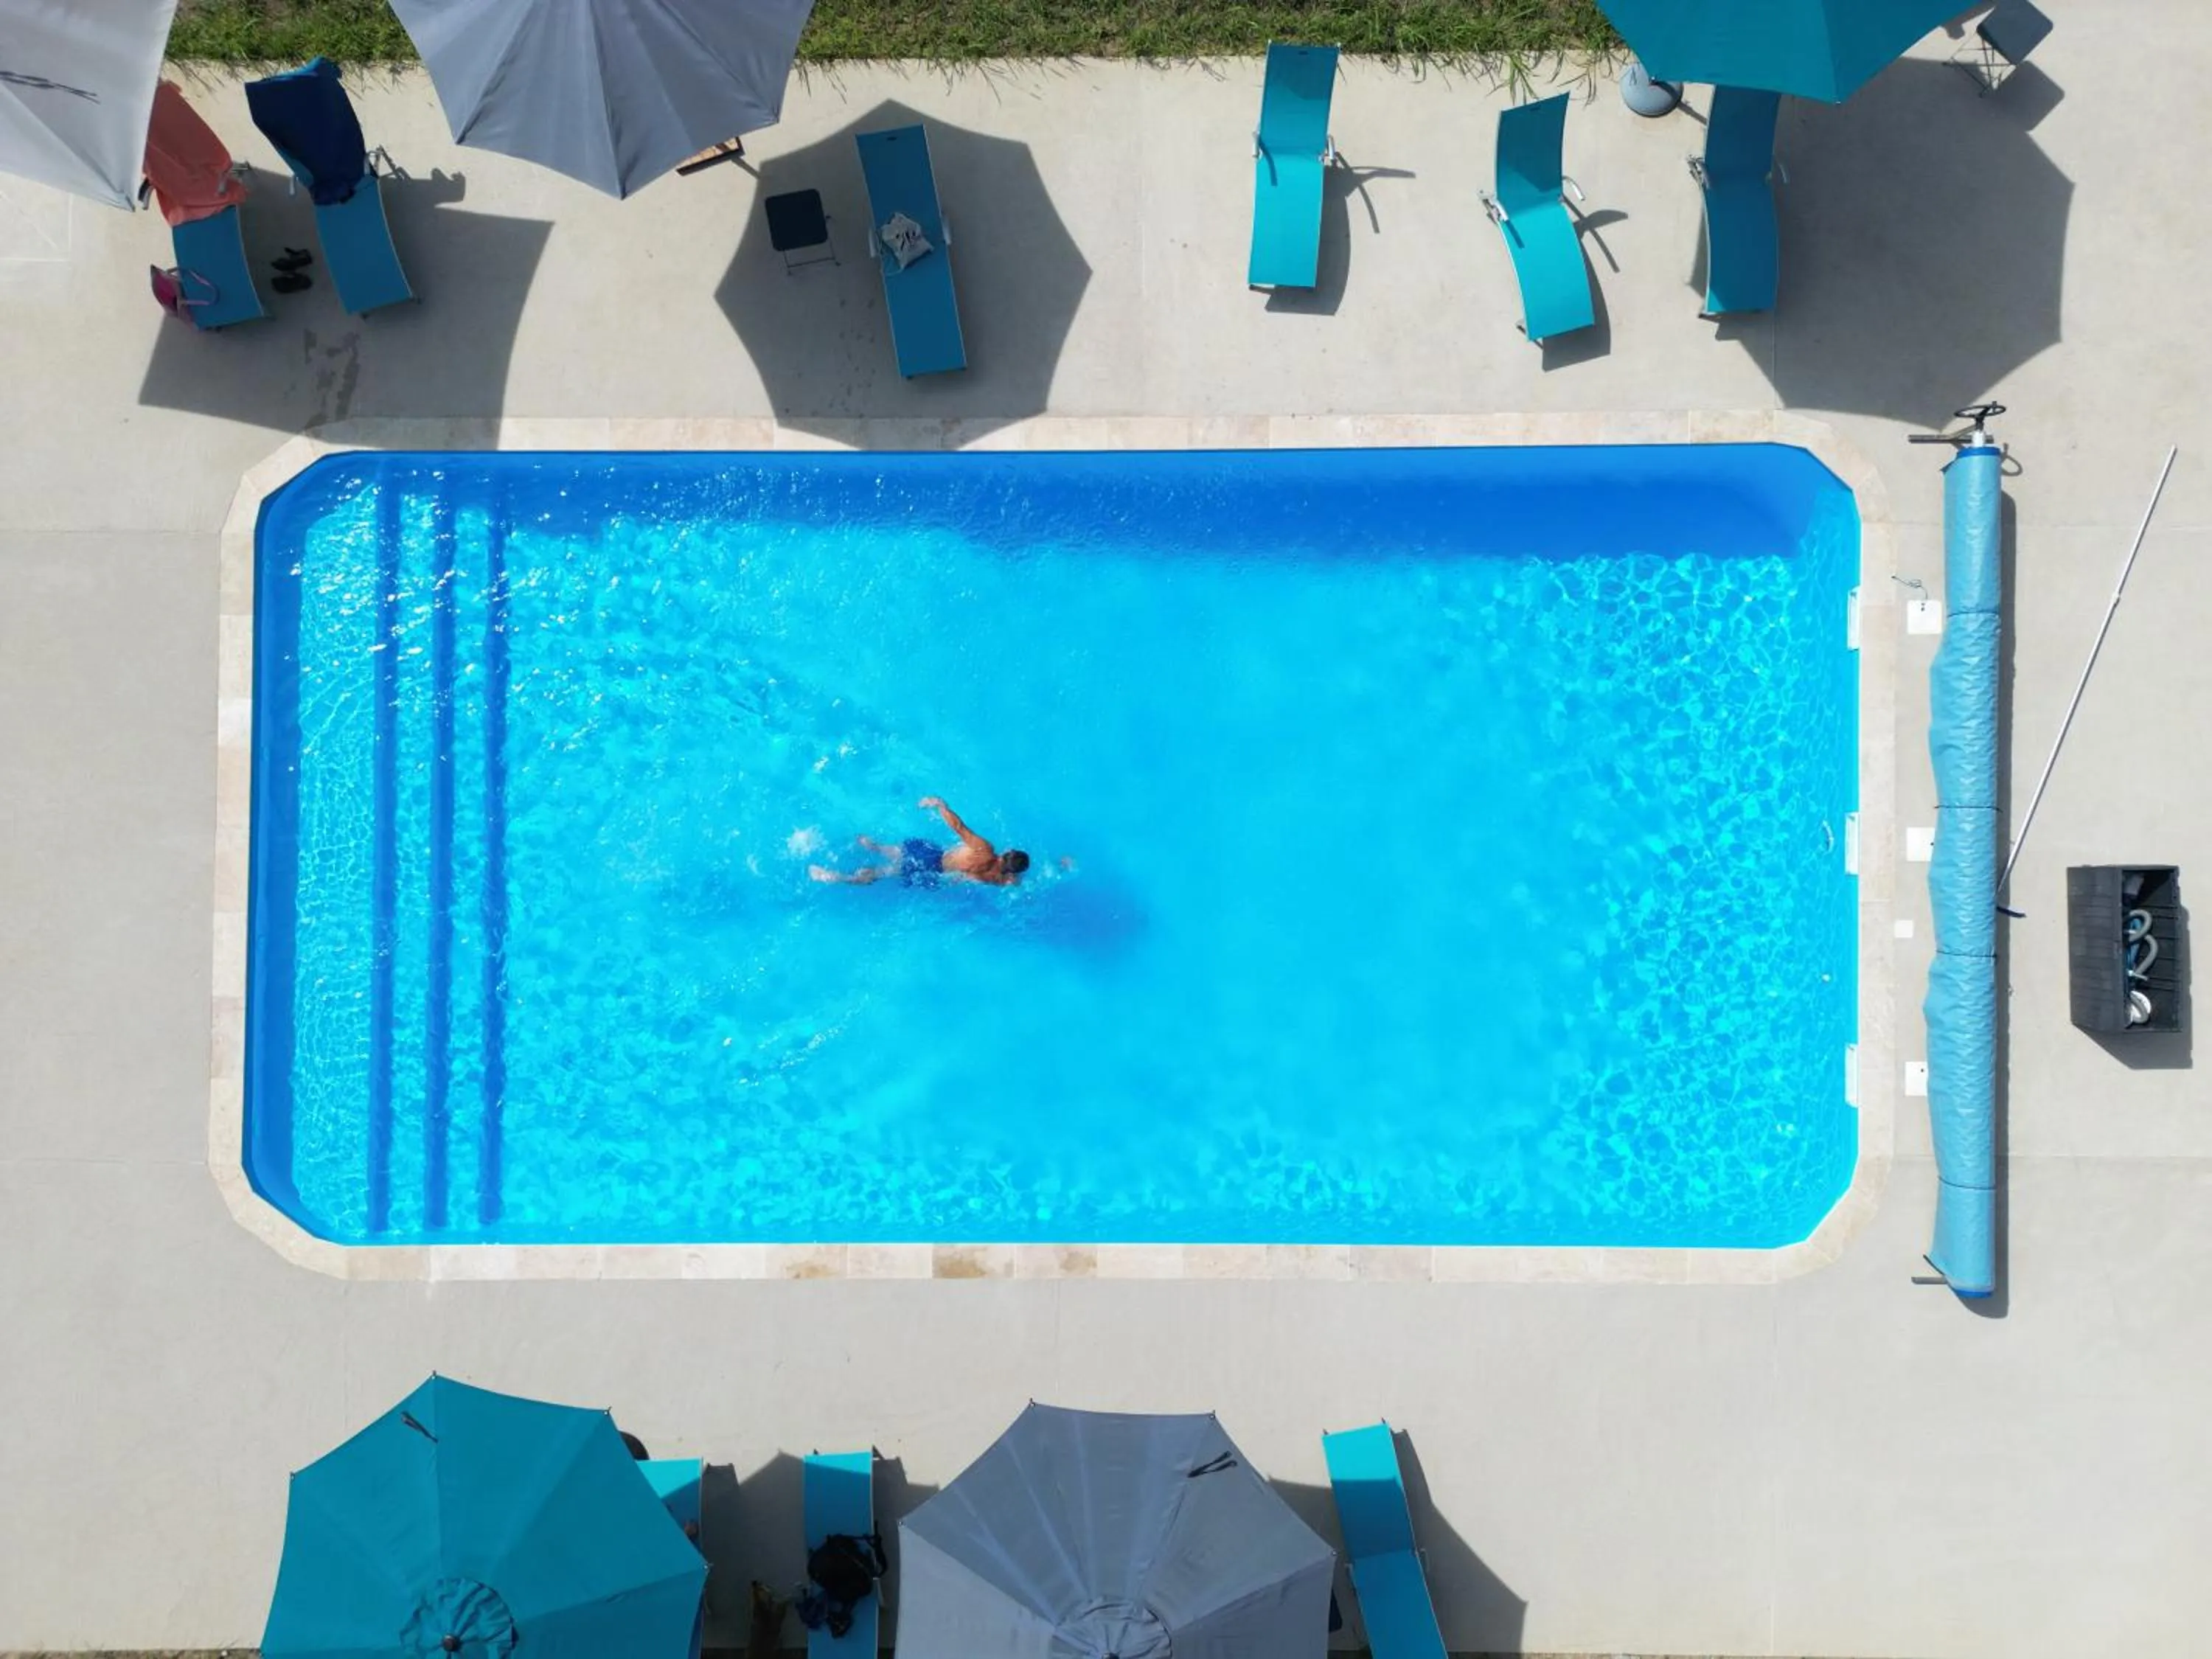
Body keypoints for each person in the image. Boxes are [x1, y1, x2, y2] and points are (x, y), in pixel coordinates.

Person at [810, 796, 1032, 887]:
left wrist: (940, 805)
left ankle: (843, 872)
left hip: (932, 857)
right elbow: (962, 879)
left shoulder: (985, 849)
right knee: (886, 873)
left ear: (1007, 852)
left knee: (889, 855)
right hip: (934, 875)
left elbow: (958, 827)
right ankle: (840, 875)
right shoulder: (1000, 881)